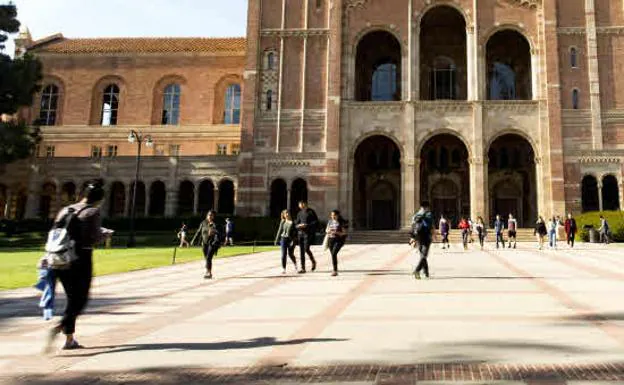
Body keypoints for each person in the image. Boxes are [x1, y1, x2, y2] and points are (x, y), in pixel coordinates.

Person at [45, 180, 105, 352]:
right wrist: (104, 235)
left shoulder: (66, 209)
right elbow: (91, 238)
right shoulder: (93, 212)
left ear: (84, 194)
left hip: (59, 257)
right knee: (80, 300)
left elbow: (54, 232)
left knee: (72, 299)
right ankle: (60, 327)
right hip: (80, 258)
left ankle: (69, 339)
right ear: (99, 199)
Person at [191, 211, 221, 279]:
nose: (210, 216)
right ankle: (208, 269)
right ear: (207, 216)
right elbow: (199, 232)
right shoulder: (203, 223)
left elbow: (219, 232)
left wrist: (213, 231)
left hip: (213, 243)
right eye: (209, 215)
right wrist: (193, 240)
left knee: (208, 257)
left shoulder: (215, 224)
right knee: (206, 258)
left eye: (211, 215)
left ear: (213, 216)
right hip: (204, 243)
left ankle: (209, 273)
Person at [410, 201, 434, 280]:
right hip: (426, 237)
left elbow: (413, 227)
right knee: (424, 255)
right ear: (427, 207)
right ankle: (417, 270)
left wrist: (412, 237)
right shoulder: (428, 214)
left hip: (418, 237)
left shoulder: (416, 215)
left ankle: (426, 273)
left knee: (422, 255)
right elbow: (431, 226)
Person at [295, 201, 318, 274]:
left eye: (301, 204)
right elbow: (296, 222)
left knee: (306, 249)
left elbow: (315, 222)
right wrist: (298, 225)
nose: (300, 206)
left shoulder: (311, 212)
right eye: (299, 205)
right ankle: (303, 268)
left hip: (308, 234)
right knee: (301, 251)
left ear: (304, 204)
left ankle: (313, 261)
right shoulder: (299, 213)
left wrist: (307, 225)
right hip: (300, 233)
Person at [274, 210, 298, 274]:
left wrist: (293, 241)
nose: (287, 214)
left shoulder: (293, 222)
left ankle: (295, 264)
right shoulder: (283, 221)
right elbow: (279, 230)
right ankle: (283, 269)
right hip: (283, 238)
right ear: (284, 215)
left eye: (288, 213)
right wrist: (276, 240)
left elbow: (295, 233)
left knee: (290, 254)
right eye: (286, 213)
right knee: (283, 254)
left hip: (290, 239)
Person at [326, 210, 348, 276]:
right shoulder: (330, 222)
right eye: (332, 215)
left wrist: (336, 232)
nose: (333, 216)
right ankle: (335, 269)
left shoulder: (341, 223)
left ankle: (335, 270)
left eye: (334, 215)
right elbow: (326, 230)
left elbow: (344, 233)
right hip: (330, 240)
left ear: (338, 215)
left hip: (339, 240)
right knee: (333, 255)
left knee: (334, 253)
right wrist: (328, 231)